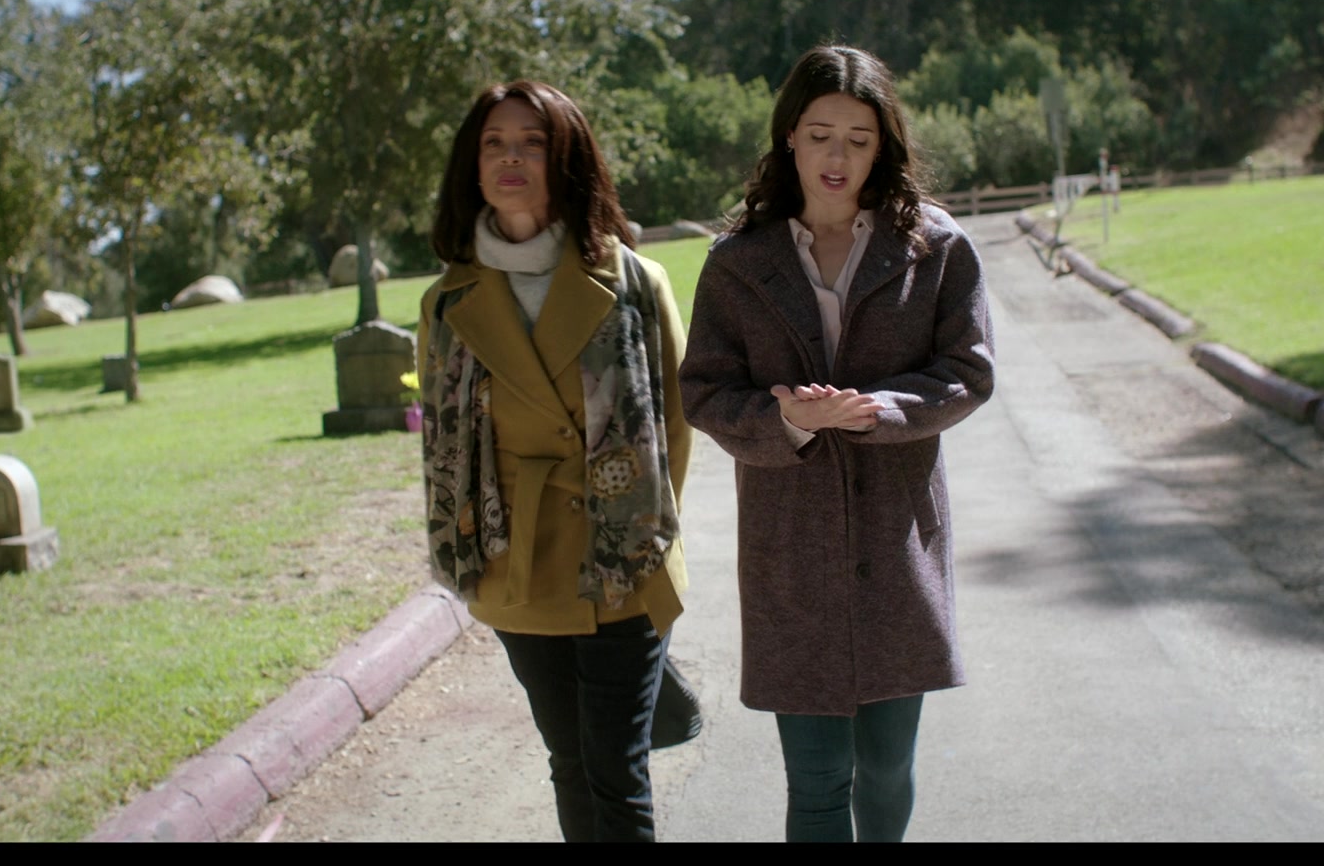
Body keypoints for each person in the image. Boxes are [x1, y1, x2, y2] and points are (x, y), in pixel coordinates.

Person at [677, 45, 996, 842]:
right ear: (789, 134)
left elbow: (969, 370)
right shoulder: (736, 263)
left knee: (885, 769)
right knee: (817, 784)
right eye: (820, 135)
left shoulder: (936, 247)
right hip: (790, 554)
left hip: (896, 547)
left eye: (859, 139)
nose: (837, 157)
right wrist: (789, 421)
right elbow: (705, 392)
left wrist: (876, 410)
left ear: (883, 145)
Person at [417, 79, 693, 843]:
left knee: (616, 770)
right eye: (494, 144)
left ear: (566, 159)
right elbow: (444, 440)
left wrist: (637, 531)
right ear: (473, 167)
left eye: (532, 144)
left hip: (623, 562)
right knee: (569, 761)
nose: (511, 159)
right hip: (517, 567)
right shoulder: (447, 302)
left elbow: (675, 426)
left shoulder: (634, 281)